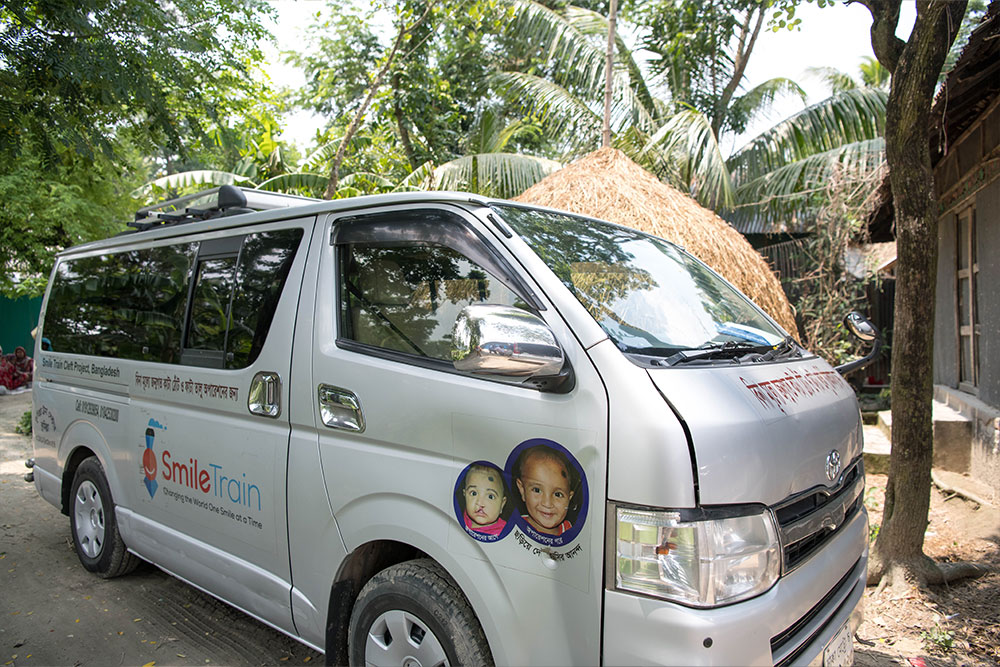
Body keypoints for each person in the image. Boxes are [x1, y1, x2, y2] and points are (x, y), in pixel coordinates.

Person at [514, 445, 575, 536]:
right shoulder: (515, 528)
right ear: (522, 490)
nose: (547, 504)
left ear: (569, 498)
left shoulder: (571, 532)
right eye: (537, 490)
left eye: (558, 494)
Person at [460, 463, 508, 536]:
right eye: (474, 493)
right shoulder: (460, 518)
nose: (480, 503)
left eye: (490, 496)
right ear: (464, 495)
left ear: (502, 504)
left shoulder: (505, 533)